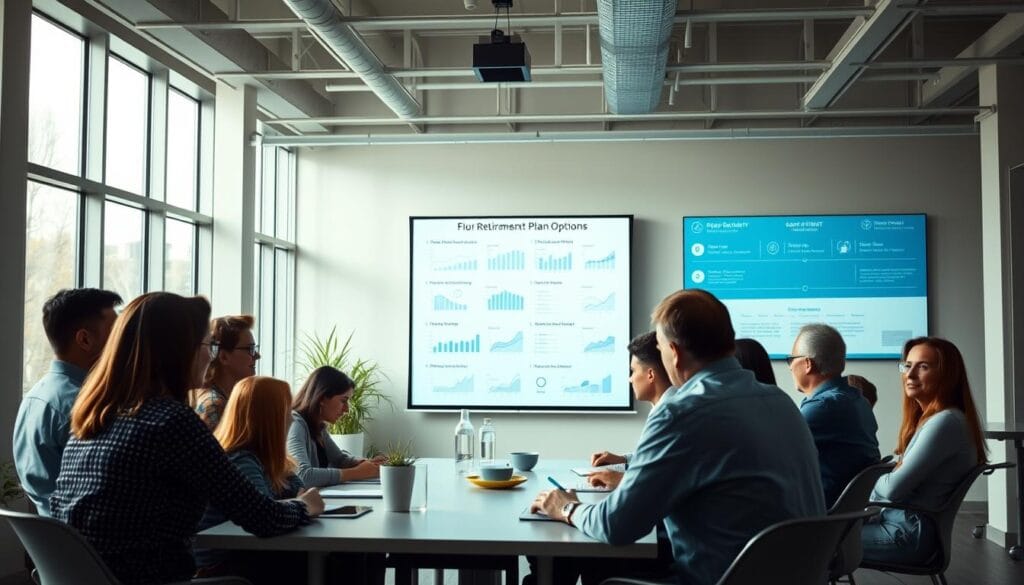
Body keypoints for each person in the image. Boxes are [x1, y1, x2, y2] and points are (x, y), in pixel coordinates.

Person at [531, 289, 826, 585]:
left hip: (716, 579)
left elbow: (616, 525)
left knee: (584, 562)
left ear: (674, 352)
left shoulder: (681, 411)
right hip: (797, 576)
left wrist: (566, 507)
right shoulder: (781, 402)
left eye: (659, 349)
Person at [50, 292, 323, 585]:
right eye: (209, 345)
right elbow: (261, 517)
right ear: (180, 351)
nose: (211, 355)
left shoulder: (91, 419)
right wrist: (305, 506)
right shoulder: (171, 421)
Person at [861, 337, 987, 564]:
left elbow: (893, 489)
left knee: (811, 542)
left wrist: (865, 474)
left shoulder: (945, 422)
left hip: (906, 535)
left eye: (924, 367)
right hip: (900, 526)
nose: (909, 375)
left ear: (946, 375)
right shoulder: (937, 420)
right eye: (908, 366)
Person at [12, 288, 122, 517]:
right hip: (90, 541)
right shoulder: (85, 408)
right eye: (116, 333)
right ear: (84, 339)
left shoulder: (35, 397)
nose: (123, 343)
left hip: (55, 545)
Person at [788, 323, 880, 507]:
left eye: (791, 360)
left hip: (821, 518)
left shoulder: (823, 407)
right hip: (848, 514)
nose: (790, 367)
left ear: (807, 364)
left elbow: (776, 453)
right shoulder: (857, 399)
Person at [588, 331, 674, 490]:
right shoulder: (664, 406)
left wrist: (623, 479)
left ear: (650, 375)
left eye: (633, 371)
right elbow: (659, 460)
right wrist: (623, 460)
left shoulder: (668, 416)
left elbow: (665, 478)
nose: (630, 379)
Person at [288, 366, 382, 487]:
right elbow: (303, 476)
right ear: (322, 398)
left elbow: (340, 460)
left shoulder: (317, 426)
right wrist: (357, 472)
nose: (347, 409)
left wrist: (369, 464)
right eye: (343, 401)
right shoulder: (294, 423)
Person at [190, 314, 260, 430]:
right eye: (250, 349)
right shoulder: (214, 407)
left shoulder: (219, 399)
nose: (257, 356)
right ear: (223, 357)